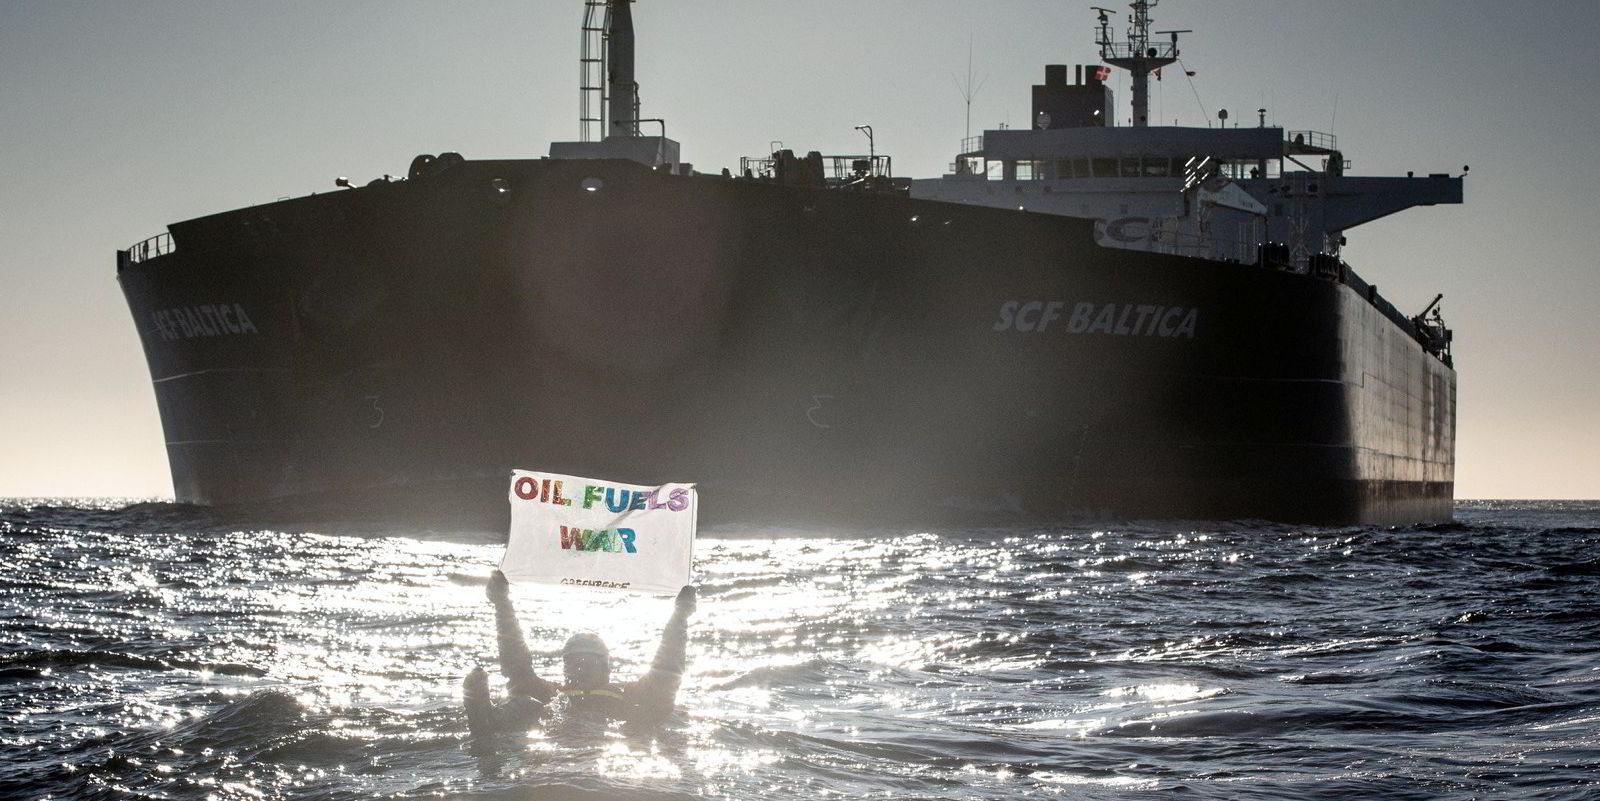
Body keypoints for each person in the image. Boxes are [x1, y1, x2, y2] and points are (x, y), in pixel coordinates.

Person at [463, 569, 696, 739]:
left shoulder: (627, 695)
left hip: (611, 740)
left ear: (606, 667)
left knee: (654, 707)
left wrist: (680, 616)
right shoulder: (551, 694)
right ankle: (484, 717)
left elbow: (666, 673)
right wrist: (502, 602)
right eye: (575, 661)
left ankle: (487, 721)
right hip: (555, 739)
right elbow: (517, 667)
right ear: (565, 667)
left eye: (589, 661)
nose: (581, 667)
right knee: (525, 702)